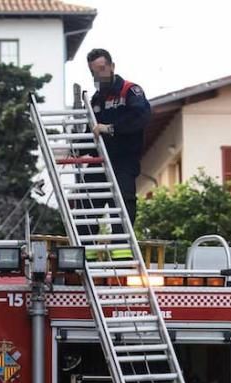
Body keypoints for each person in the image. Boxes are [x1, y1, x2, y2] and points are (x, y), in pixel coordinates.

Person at [81, 48, 150, 261]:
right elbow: (91, 131)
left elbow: (141, 118)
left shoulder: (130, 91)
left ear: (112, 66)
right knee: (87, 198)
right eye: (95, 72)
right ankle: (87, 251)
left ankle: (121, 250)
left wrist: (110, 128)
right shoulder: (95, 100)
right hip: (100, 159)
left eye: (102, 69)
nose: (100, 75)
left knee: (122, 201)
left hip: (124, 159)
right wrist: (78, 149)